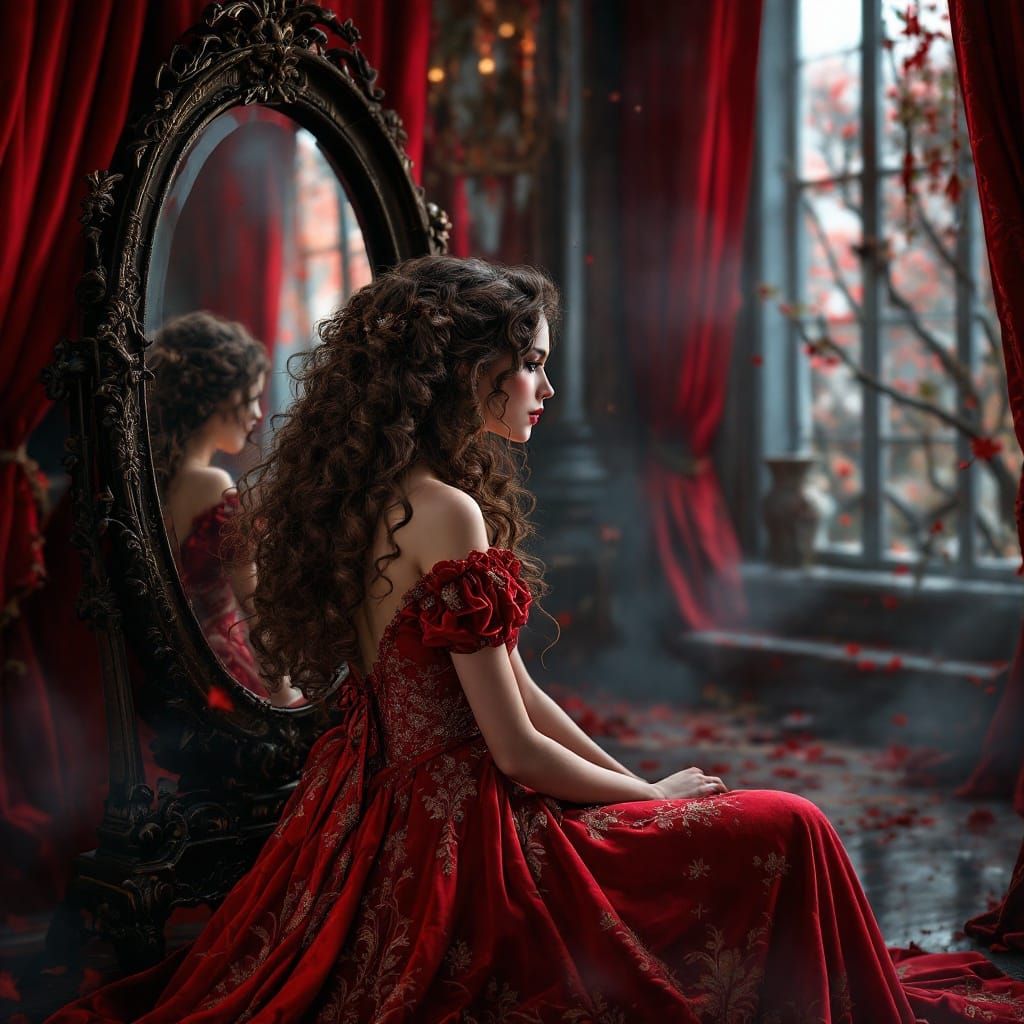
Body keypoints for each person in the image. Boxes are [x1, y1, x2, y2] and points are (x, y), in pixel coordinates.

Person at [47, 258, 1024, 1021]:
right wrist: (647, 798)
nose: (546, 384)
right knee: (798, 823)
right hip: (467, 840)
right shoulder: (445, 512)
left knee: (741, 817)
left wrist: (643, 791)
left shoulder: (380, 495)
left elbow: (512, 692)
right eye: (533, 361)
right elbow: (509, 745)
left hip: (387, 811)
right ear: (475, 373)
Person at [147, 311, 304, 708]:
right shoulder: (211, 483)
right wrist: (285, 696)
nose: (255, 414)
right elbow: (253, 607)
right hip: (221, 672)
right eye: (250, 398)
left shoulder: (149, 481)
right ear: (214, 400)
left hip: (165, 680)